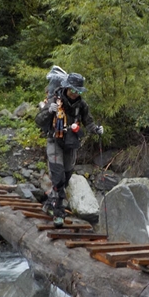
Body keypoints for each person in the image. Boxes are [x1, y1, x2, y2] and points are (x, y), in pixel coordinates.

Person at [36, 71, 103, 227]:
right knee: (58, 176)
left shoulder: (82, 105)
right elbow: (39, 121)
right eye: (72, 90)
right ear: (66, 87)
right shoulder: (54, 100)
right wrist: (49, 111)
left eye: (78, 91)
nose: (75, 93)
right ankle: (58, 214)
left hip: (71, 144)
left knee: (66, 178)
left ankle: (50, 203)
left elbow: (89, 123)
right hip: (54, 141)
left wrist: (97, 130)